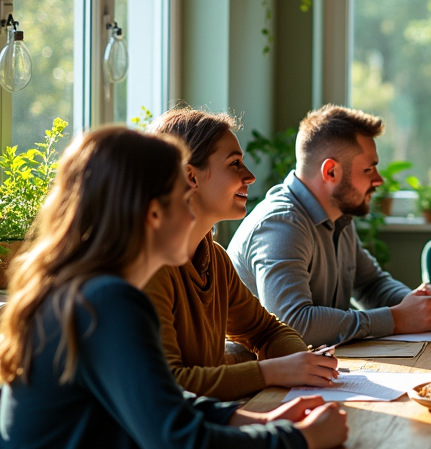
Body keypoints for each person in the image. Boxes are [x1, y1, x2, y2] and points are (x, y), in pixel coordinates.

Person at [0, 127, 348, 449]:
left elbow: (164, 400)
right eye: (181, 197)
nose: (192, 215)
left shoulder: (90, 291)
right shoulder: (108, 302)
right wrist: (303, 439)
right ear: (154, 214)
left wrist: (252, 420)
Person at [143, 108, 339, 401]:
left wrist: (306, 364)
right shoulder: (149, 267)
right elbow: (171, 383)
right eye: (235, 164)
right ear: (190, 177)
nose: (249, 176)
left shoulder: (215, 259)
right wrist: (275, 371)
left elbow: (267, 331)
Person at [228, 104, 431, 347]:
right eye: (368, 169)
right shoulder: (281, 224)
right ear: (330, 171)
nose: (379, 180)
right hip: (267, 378)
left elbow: (371, 284)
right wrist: (397, 318)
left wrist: (420, 304)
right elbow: (294, 324)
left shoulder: (338, 214)